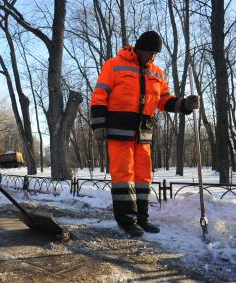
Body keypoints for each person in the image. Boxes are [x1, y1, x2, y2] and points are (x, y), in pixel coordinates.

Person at [90, 31, 199, 237]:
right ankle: (127, 221)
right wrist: (98, 125)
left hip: (144, 133)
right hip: (119, 130)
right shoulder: (113, 65)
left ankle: (142, 219)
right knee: (124, 176)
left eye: (154, 54)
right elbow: (99, 96)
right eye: (148, 52)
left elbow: (164, 100)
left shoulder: (157, 72)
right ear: (139, 48)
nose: (151, 57)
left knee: (143, 177)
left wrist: (184, 105)